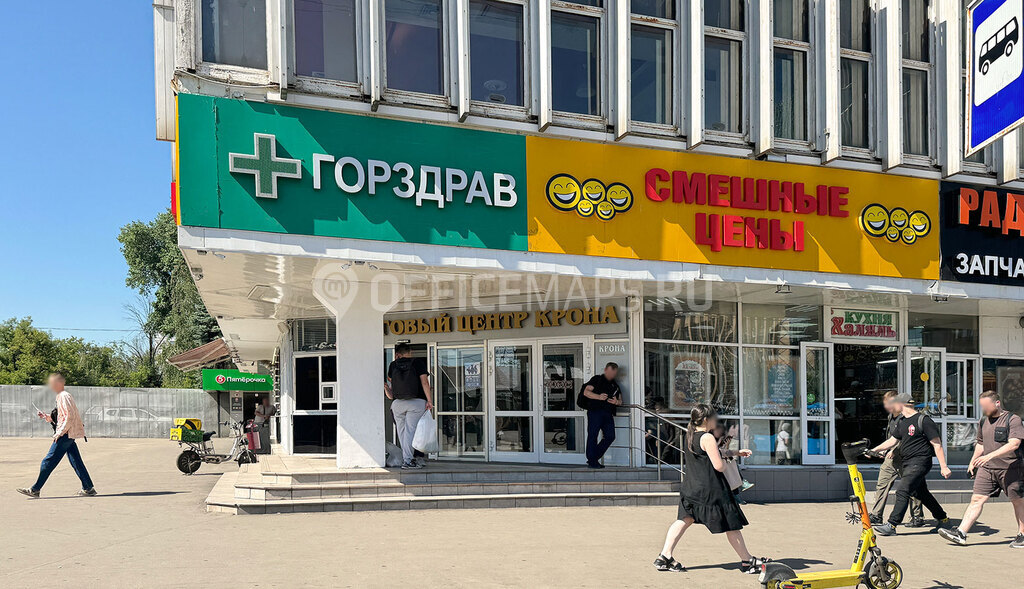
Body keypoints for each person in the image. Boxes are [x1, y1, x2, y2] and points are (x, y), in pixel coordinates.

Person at [653, 404, 769, 574]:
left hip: (692, 488)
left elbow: (712, 453)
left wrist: (736, 452)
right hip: (711, 489)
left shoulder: (690, 435)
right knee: (731, 524)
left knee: (684, 520)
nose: (717, 420)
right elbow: (718, 465)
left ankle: (664, 557)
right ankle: (747, 561)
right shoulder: (707, 437)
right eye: (715, 417)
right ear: (706, 420)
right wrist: (728, 464)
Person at [938, 391, 1024, 548]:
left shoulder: (1013, 419)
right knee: (977, 499)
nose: (984, 410)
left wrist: (989, 456)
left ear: (997, 403)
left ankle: (1022, 535)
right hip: (988, 469)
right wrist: (972, 462)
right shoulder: (983, 420)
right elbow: (980, 443)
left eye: (986, 406)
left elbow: (1014, 444)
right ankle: (961, 533)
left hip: (1011, 468)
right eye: (982, 407)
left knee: (1017, 501)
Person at [870, 392, 952, 536]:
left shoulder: (924, 420)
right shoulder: (902, 421)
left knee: (903, 490)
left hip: (920, 462)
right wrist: (874, 450)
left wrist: (943, 466)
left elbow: (937, 445)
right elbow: (893, 440)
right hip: (907, 462)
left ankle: (892, 524)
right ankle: (943, 520)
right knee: (922, 493)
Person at [16, 373, 96, 498]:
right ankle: (88, 488)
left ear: (59, 383)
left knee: (48, 461)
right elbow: (63, 417)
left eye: (52, 383)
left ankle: (35, 489)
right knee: (76, 461)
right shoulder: (63, 396)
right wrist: (48, 417)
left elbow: (69, 416)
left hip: (65, 435)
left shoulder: (63, 396)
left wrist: (60, 433)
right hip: (68, 434)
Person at [869, 391, 924, 527]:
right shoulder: (891, 417)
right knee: (882, 484)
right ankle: (876, 515)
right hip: (891, 460)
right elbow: (892, 438)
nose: (887, 406)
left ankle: (917, 517)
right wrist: (880, 450)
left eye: (890, 403)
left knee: (913, 487)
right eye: (886, 403)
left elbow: (908, 438)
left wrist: (895, 450)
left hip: (906, 458)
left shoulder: (906, 418)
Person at [384, 343, 434, 470]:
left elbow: (392, 388)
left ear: (397, 354)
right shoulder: (417, 363)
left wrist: (386, 388)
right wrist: (429, 400)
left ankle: (407, 458)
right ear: (409, 352)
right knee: (411, 431)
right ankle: (408, 460)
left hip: (397, 404)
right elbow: (425, 382)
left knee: (402, 432)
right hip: (416, 403)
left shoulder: (393, 365)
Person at [583, 362, 622, 469]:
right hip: (595, 412)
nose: (611, 375)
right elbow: (586, 392)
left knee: (610, 436)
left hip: (608, 413)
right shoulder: (596, 379)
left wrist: (616, 402)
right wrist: (599, 397)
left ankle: (593, 458)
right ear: (605, 370)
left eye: (614, 374)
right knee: (593, 435)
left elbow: (620, 400)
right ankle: (592, 461)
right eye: (610, 373)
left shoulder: (614, 384)